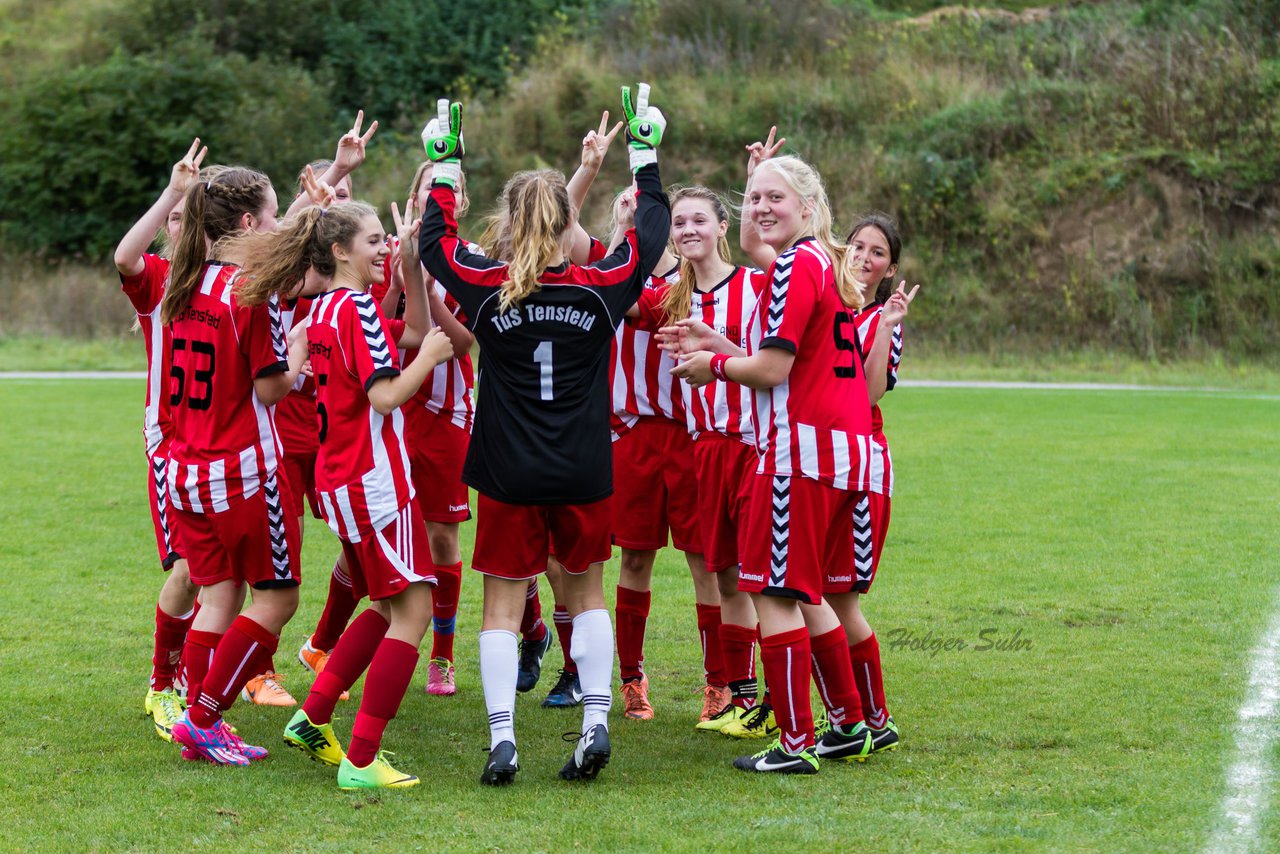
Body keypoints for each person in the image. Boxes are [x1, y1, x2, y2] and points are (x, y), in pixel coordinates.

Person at [418, 87, 670, 784]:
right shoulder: (600, 287)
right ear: (566, 223)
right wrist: (644, 152)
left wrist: (444, 163)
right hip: (585, 466)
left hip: (507, 469)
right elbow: (650, 232)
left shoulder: (487, 288)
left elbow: (433, 246)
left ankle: (504, 739)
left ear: (509, 221)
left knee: (502, 602)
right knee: (585, 595)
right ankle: (594, 721)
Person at [673, 152, 887, 773]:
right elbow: (794, 361)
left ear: (810, 208)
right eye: (755, 197)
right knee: (806, 590)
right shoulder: (823, 261)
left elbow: (772, 371)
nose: (762, 208)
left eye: (775, 198)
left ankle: (796, 741)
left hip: (799, 452)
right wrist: (723, 345)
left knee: (772, 590)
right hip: (841, 450)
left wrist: (710, 366)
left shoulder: (798, 263)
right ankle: (848, 723)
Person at [228, 196, 452, 789]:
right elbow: (384, 395)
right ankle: (360, 758)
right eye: (374, 240)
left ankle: (312, 719)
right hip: (373, 485)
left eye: (386, 239)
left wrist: (412, 276)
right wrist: (428, 360)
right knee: (415, 609)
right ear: (339, 249)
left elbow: (406, 333)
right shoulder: (354, 309)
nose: (384, 247)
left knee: (382, 605)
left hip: (341, 480)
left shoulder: (329, 308)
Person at [162, 165, 309, 765]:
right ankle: (202, 719)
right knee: (277, 599)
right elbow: (272, 389)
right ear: (248, 223)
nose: (276, 225)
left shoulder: (183, 282)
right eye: (273, 214)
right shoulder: (250, 291)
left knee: (220, 595)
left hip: (186, 471)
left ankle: (202, 720)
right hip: (243, 471)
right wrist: (298, 355)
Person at [639, 186, 772, 730]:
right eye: (678, 222)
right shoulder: (672, 295)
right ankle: (741, 699)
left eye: (699, 220)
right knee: (724, 576)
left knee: (761, 578)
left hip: (753, 445)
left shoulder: (758, 285)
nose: (688, 229)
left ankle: (777, 699)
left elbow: (775, 361)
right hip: (705, 447)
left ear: (723, 227)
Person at [113, 138, 206, 742]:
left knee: (227, 575)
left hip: (225, 444)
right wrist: (172, 191)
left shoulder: (230, 279)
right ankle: (162, 687)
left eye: (185, 213)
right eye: (172, 215)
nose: (175, 223)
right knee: (190, 567)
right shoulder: (161, 280)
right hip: (171, 445)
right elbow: (125, 257)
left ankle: (202, 683)